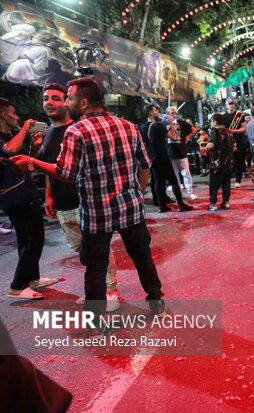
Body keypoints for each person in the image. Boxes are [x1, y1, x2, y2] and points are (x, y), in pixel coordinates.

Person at [12, 78, 166, 336]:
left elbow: (66, 172)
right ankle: (156, 301)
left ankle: (97, 321)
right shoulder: (127, 126)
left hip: (97, 212)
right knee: (142, 256)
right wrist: (138, 192)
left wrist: (33, 162)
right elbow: (144, 164)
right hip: (130, 208)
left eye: (69, 99)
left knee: (95, 267)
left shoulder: (77, 131)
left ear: (83, 103)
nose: (67, 104)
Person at [39, 83, 120, 310]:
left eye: (56, 98)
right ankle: (96, 291)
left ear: (68, 102)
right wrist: (49, 196)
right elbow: (50, 168)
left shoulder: (80, 128)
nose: (50, 102)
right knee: (82, 252)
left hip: (86, 202)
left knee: (99, 249)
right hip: (62, 204)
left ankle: (111, 291)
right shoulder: (46, 134)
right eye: (46, 98)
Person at [0, 98, 58, 300]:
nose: (17, 117)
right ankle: (17, 286)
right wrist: (25, 128)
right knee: (33, 241)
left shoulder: (12, 136)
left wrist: (34, 147)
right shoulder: (7, 140)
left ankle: (32, 279)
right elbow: (9, 150)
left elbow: (29, 163)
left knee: (29, 240)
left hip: (27, 193)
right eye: (14, 113)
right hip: (14, 197)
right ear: (4, 115)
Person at [144, 104, 193, 213]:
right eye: (156, 110)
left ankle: (162, 206)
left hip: (152, 157)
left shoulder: (145, 126)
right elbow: (172, 136)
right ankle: (180, 204)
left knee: (158, 181)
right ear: (151, 113)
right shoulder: (157, 125)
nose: (158, 112)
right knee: (173, 180)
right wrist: (171, 123)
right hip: (162, 156)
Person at [165, 106, 198, 199]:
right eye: (172, 113)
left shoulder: (182, 123)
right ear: (167, 114)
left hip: (181, 151)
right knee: (174, 175)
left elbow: (194, 129)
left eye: (175, 113)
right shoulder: (164, 124)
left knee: (186, 173)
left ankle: (189, 192)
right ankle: (178, 194)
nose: (174, 115)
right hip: (170, 152)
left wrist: (187, 138)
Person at [205, 113, 234, 211]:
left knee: (214, 185)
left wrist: (204, 148)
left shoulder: (213, 132)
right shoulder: (228, 132)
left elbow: (211, 145)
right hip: (228, 162)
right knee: (226, 184)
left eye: (211, 121)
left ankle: (213, 204)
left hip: (217, 163)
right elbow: (234, 147)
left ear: (214, 122)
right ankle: (226, 202)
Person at [223, 98, 247, 188]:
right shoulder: (223, 117)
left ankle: (238, 180)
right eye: (229, 104)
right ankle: (227, 180)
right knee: (227, 161)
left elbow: (244, 128)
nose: (231, 105)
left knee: (239, 160)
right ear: (226, 105)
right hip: (227, 141)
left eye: (232, 104)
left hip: (238, 140)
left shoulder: (239, 115)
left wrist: (235, 131)